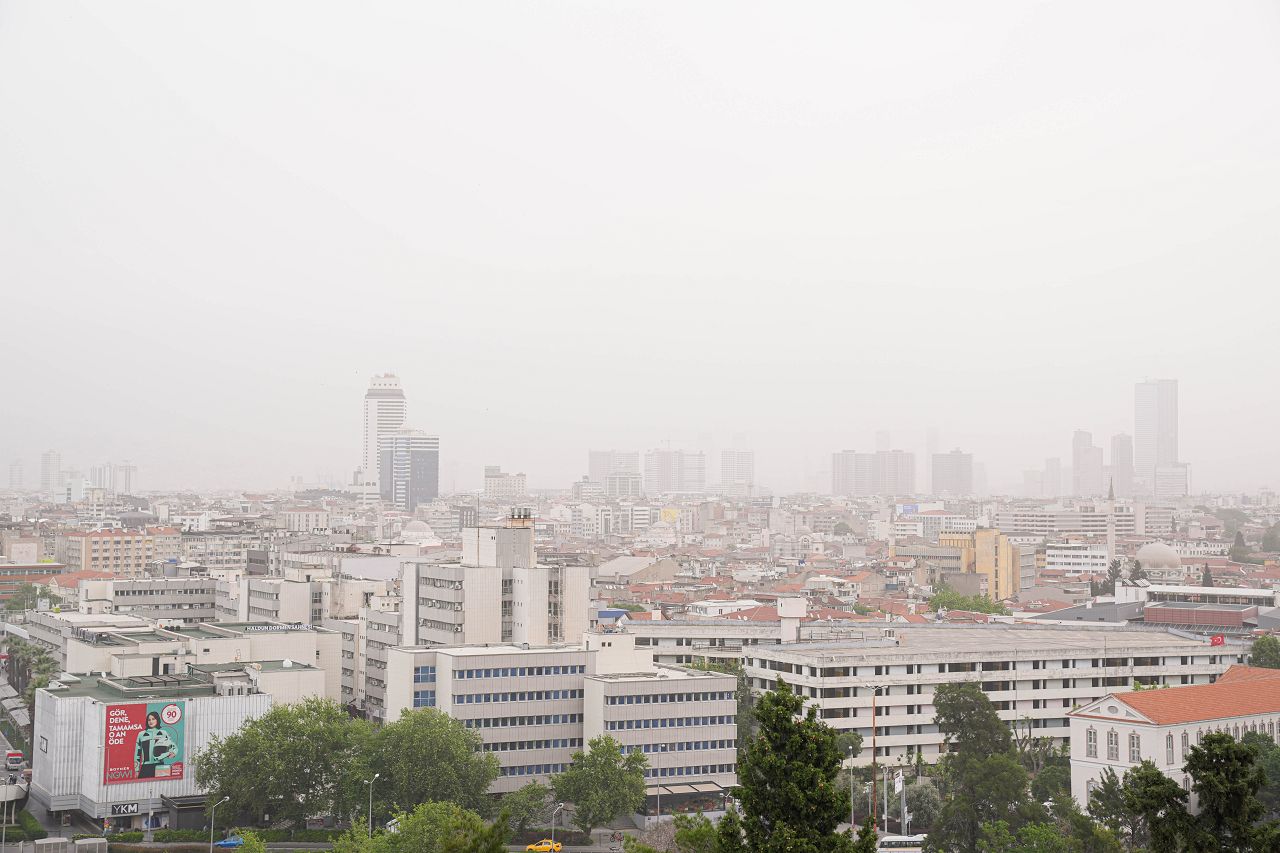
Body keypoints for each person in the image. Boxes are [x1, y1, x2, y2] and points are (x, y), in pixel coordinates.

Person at [134, 712, 179, 778]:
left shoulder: (163, 733)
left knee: (161, 784)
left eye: (153, 719)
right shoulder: (141, 734)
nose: (151, 721)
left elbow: (173, 746)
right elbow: (137, 753)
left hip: (160, 766)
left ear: (157, 720)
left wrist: (174, 753)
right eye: (149, 720)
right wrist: (136, 770)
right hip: (145, 767)